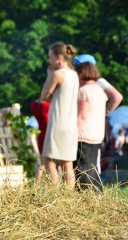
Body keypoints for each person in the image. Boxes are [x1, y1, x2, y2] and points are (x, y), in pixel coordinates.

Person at [39, 43, 79, 188]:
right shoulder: (74, 75)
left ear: (59, 57)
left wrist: (49, 75)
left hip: (57, 123)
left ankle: (55, 194)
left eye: (50, 57)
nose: (49, 61)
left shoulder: (58, 74)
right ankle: (68, 196)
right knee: (67, 164)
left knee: (48, 160)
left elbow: (43, 96)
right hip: (71, 125)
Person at [74, 56, 108, 191]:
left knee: (82, 167)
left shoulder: (83, 91)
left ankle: (86, 194)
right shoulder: (99, 90)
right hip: (97, 134)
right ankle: (97, 192)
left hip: (84, 134)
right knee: (92, 166)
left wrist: (73, 134)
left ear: (81, 74)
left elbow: (81, 116)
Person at [30, 98, 50, 181]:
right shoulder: (47, 105)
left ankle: (38, 184)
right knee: (49, 162)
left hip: (41, 133)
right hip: (48, 133)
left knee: (43, 161)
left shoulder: (34, 104)